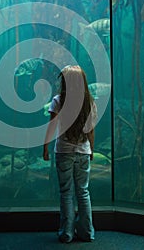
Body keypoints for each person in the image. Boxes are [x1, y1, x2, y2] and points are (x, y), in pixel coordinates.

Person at [43, 65, 97, 243]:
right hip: (83, 151)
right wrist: (91, 149)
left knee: (66, 192)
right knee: (83, 192)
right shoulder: (89, 101)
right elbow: (90, 130)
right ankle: (87, 232)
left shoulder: (58, 100)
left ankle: (67, 234)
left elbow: (51, 126)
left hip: (64, 152)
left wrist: (45, 147)